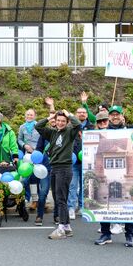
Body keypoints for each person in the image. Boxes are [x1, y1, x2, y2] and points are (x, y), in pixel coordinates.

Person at [35, 100, 81, 240]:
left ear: (67, 122)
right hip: (54, 168)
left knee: (61, 199)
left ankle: (61, 228)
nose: (60, 123)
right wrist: (50, 117)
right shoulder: (52, 132)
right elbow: (38, 126)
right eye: (58, 120)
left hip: (64, 168)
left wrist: (69, 114)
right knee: (57, 198)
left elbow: (78, 124)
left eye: (63, 120)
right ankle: (66, 227)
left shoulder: (70, 132)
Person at [17, 109, 41, 210]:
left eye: (31, 115)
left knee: (36, 178)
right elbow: (19, 139)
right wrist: (24, 145)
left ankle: (37, 201)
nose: (29, 116)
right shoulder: (22, 127)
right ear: (25, 116)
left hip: (38, 155)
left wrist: (37, 149)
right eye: (27, 115)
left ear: (35, 116)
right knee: (26, 178)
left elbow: (43, 138)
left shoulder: (39, 126)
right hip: (27, 155)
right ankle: (27, 198)